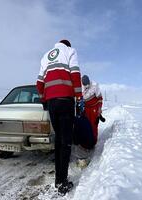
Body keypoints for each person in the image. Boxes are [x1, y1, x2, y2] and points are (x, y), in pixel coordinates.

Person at [36, 39, 83, 195]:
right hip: (65, 100)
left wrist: (44, 99)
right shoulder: (70, 51)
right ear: (67, 45)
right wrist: (79, 97)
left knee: (58, 140)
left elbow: (39, 82)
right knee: (66, 141)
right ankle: (62, 182)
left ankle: (58, 179)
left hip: (51, 103)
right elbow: (75, 74)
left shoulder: (46, 56)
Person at [81, 75, 103, 145]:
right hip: (86, 109)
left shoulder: (95, 86)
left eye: (87, 84)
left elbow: (100, 98)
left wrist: (99, 109)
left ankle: (94, 142)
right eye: (84, 85)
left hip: (94, 108)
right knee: (86, 125)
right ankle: (87, 141)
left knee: (94, 125)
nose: (86, 86)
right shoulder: (81, 87)